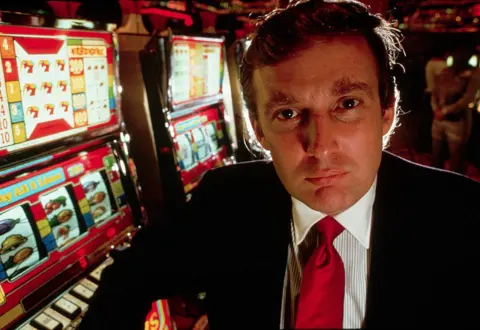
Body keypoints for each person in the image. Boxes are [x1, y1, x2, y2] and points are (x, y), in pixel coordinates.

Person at [79, 1, 480, 329]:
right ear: (258, 130)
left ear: (387, 113)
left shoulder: (462, 216)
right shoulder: (225, 200)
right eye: (288, 114)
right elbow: (126, 278)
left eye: (347, 104)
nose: (320, 148)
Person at [430, 44, 480, 174]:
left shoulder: (473, 75)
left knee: (456, 159)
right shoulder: (446, 72)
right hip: (439, 119)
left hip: (456, 122)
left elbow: (467, 99)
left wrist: (444, 111)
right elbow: (434, 92)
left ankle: (454, 188)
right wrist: (436, 109)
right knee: (436, 156)